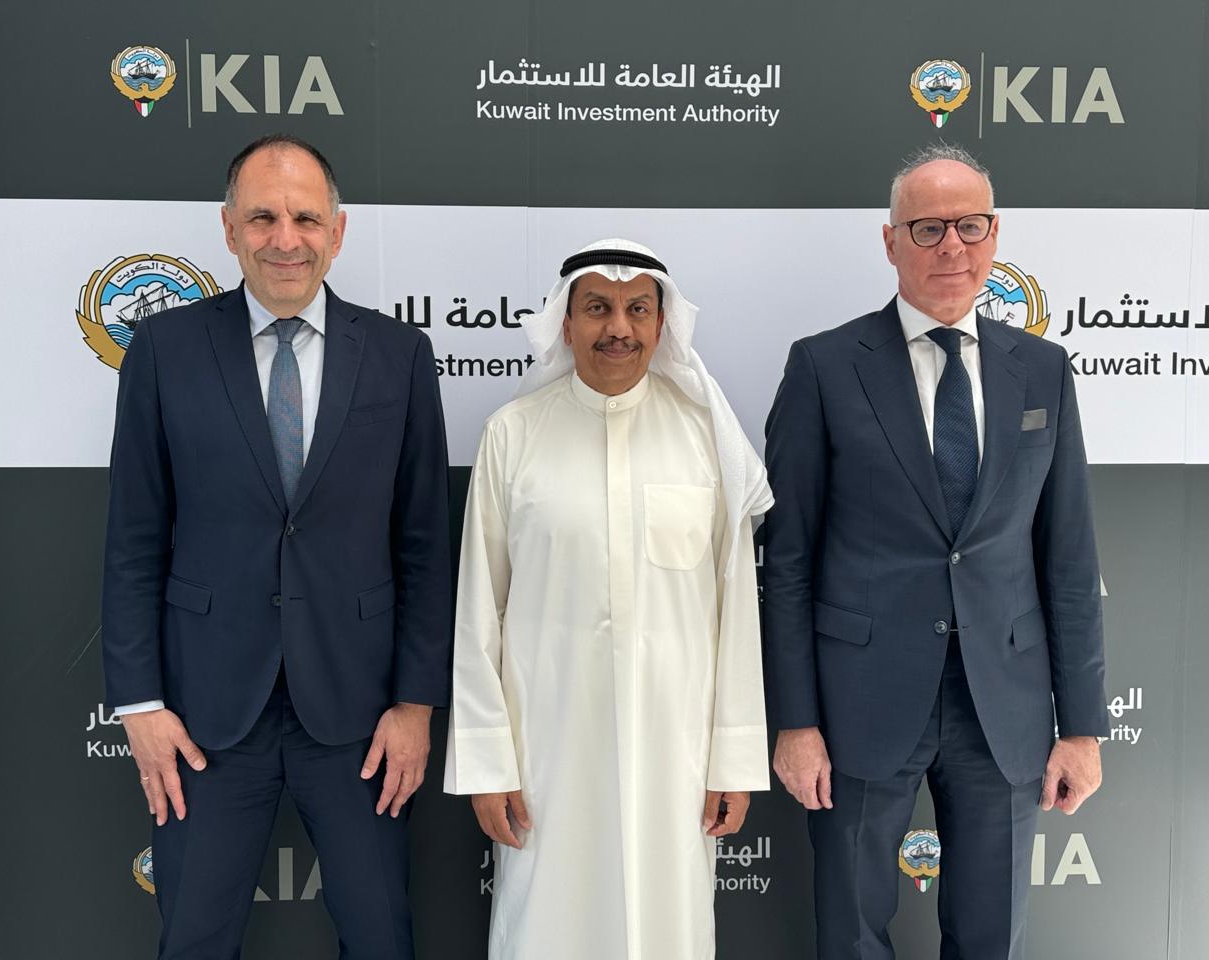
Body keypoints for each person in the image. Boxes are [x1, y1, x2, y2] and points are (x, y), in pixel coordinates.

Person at [101, 134, 451, 959]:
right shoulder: (163, 351)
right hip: (205, 717)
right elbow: (134, 541)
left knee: (381, 939)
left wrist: (415, 704)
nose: (285, 239)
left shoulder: (399, 355)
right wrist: (140, 707)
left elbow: (425, 544)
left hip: (360, 717)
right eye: (262, 218)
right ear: (229, 229)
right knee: (194, 939)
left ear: (338, 231)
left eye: (305, 218)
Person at [763, 143, 1107, 960]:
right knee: (851, 933)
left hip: (1004, 707)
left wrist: (1083, 726)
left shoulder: (1043, 371)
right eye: (927, 228)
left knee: (991, 937)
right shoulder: (824, 367)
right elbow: (788, 563)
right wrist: (796, 721)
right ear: (891, 242)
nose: (952, 245)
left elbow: (1068, 560)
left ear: (995, 235)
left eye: (970, 225)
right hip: (858, 702)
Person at [444, 239, 773, 959]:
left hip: (676, 754)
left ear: (662, 324)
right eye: (597, 308)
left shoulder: (705, 439)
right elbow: (478, 615)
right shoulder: (512, 436)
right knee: (547, 925)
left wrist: (734, 761)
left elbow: (737, 615)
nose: (617, 328)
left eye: (636, 309)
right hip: (548, 753)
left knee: (668, 926)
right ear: (565, 323)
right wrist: (488, 766)